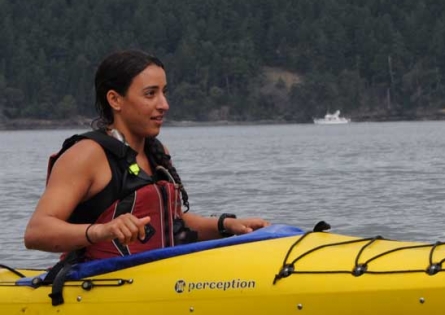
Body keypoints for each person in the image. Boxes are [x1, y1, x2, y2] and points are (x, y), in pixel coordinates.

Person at [24, 50, 269, 262]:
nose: (164, 104)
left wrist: (226, 226)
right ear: (115, 100)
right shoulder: (86, 155)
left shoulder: (157, 152)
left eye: (164, 92)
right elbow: (37, 232)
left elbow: (170, 224)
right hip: (93, 285)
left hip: (156, 279)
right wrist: (100, 231)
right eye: (150, 94)